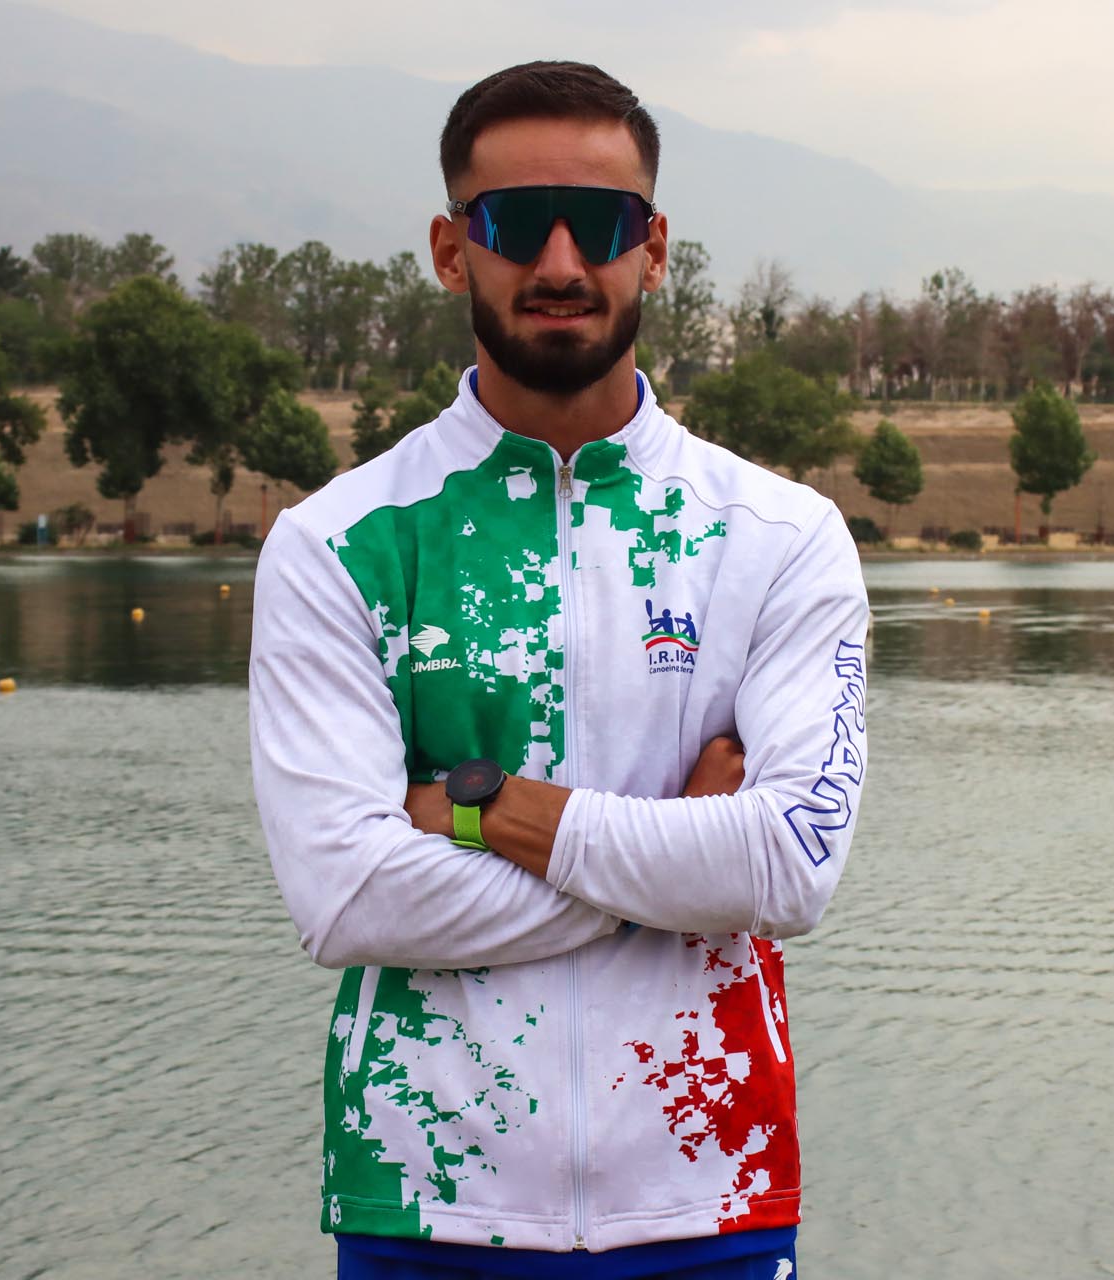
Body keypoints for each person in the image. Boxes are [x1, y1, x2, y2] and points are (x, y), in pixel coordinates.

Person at [249, 60, 869, 1280]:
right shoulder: (339, 543)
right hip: (424, 1199)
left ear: (655, 249)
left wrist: (479, 810)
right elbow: (348, 897)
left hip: (712, 1189)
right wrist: (678, 851)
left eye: (601, 222)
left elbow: (789, 866)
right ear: (452, 249)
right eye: (519, 221)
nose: (562, 261)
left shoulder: (778, 536)